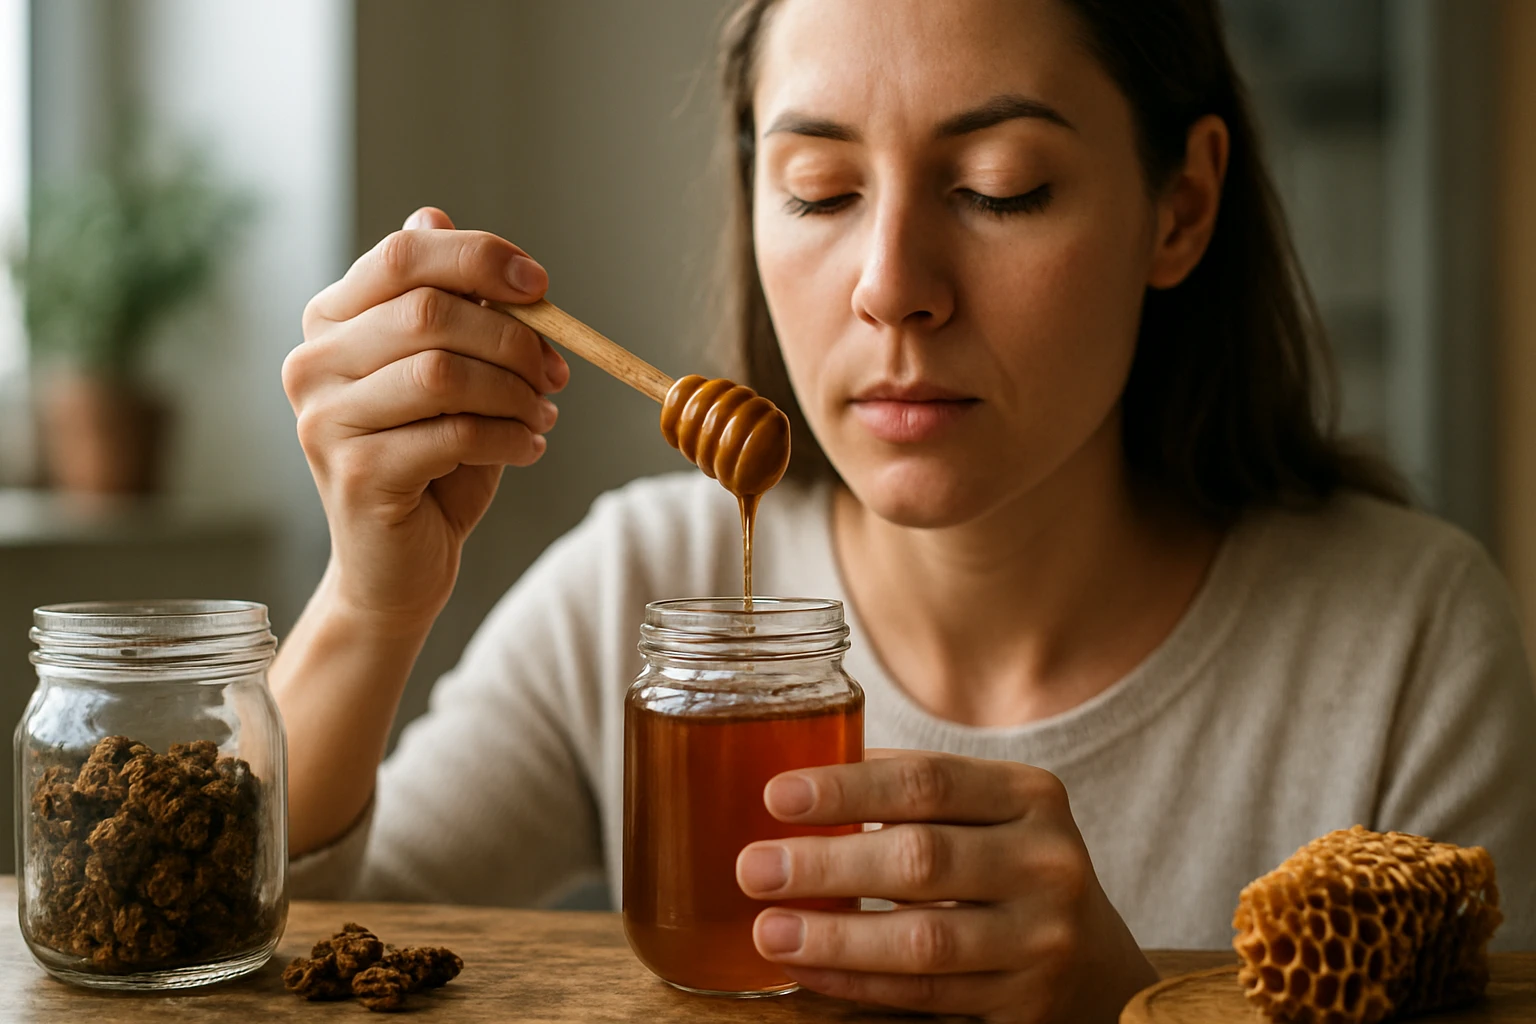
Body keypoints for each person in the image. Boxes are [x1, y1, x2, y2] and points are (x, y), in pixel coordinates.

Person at [275, 0, 1536, 1019]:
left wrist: (1135, 1011)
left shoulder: (1406, 644)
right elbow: (264, 941)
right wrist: (368, 604)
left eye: (1000, 187)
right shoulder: (642, 587)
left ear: (1181, 205)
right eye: (820, 191)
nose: (891, 289)